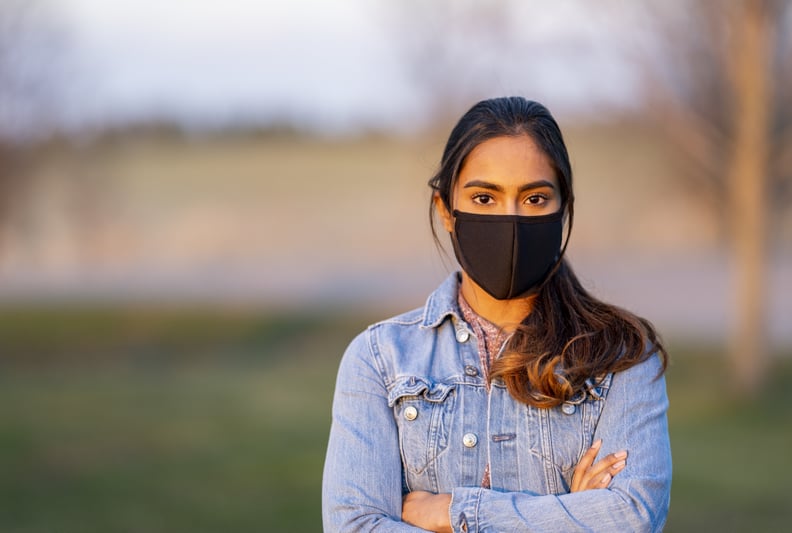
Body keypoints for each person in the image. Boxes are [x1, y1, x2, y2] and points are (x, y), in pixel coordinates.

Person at [322, 97, 671, 532]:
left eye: (535, 198)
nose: (509, 219)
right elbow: (354, 526)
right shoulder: (379, 358)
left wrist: (453, 513)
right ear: (446, 210)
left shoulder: (620, 355)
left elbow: (631, 518)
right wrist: (571, 516)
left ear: (563, 209)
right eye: (484, 197)